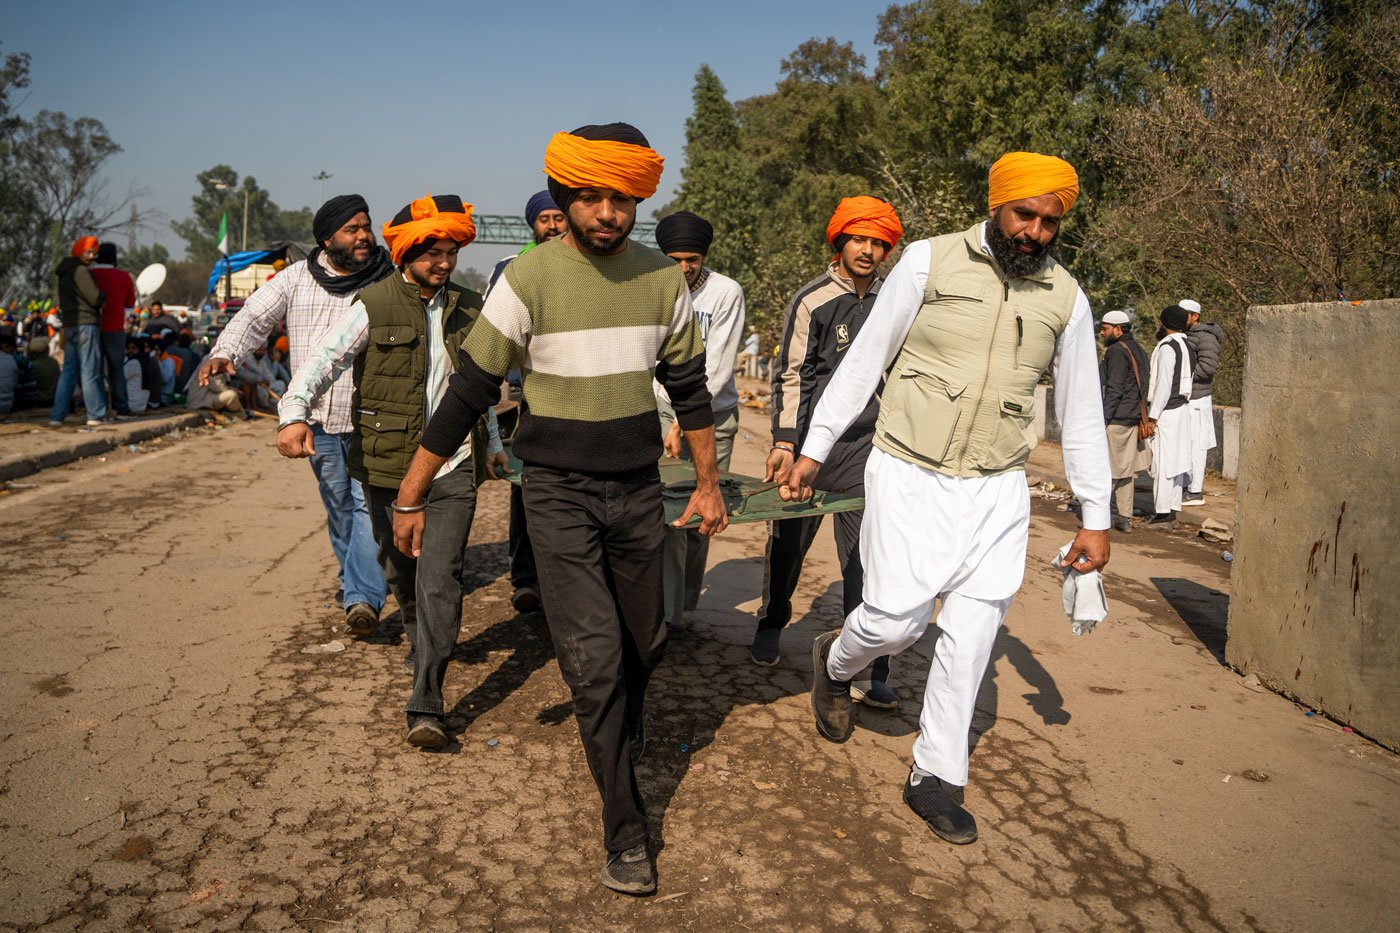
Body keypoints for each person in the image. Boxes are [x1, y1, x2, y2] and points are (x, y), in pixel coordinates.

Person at [390, 123, 726, 897]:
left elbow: (690, 390)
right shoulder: (528, 278)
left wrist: (706, 483)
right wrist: (412, 490)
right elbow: (470, 391)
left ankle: (619, 729)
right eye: (592, 196)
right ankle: (626, 826)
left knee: (646, 641)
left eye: (622, 198)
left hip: (640, 489)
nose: (608, 212)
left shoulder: (662, 281)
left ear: (639, 198)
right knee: (596, 661)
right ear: (568, 196)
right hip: (557, 494)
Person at [782, 152, 1111, 845]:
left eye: (1051, 222)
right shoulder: (930, 262)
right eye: (1025, 215)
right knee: (895, 621)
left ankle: (936, 775)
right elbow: (865, 358)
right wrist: (813, 448)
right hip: (908, 471)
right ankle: (835, 660)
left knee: (972, 636)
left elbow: (1081, 409)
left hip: (997, 486)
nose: (1036, 232)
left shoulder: (1067, 297)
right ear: (997, 206)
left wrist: (1096, 515)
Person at [278, 193, 507, 748]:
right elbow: (324, 360)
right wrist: (294, 414)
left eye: (451, 253)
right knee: (400, 571)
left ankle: (427, 700)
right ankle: (419, 641)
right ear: (407, 253)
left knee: (440, 578)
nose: (444, 263)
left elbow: (479, 385)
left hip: (451, 465)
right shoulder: (373, 303)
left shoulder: (472, 308)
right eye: (432, 253)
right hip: (384, 463)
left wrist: (494, 442)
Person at [199, 194, 394, 635]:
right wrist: (224, 352)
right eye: (352, 229)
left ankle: (364, 596)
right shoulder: (295, 279)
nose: (364, 236)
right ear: (327, 239)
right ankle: (355, 583)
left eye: (367, 226)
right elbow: (253, 316)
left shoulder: (390, 279)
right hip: (317, 419)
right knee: (340, 506)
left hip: (375, 416)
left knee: (369, 508)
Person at [751, 196, 904, 711]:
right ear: (839, 242)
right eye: (858, 239)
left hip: (870, 447)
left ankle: (868, 664)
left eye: (878, 242)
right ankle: (772, 620)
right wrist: (786, 441)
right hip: (812, 448)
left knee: (867, 559)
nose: (868, 250)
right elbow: (793, 374)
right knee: (789, 545)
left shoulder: (895, 300)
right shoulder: (812, 299)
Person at [652, 210, 746, 632]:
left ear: (704, 257)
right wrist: (667, 417)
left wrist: (686, 421)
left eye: (691, 259)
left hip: (714, 415)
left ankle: (684, 602)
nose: (684, 268)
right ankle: (666, 615)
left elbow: (721, 365)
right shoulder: (651, 287)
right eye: (674, 259)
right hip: (660, 411)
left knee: (704, 510)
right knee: (669, 511)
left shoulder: (726, 293)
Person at [484, 189, 570, 614]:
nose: (552, 226)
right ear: (531, 225)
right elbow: (491, 335)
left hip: (578, 393)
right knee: (527, 486)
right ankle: (526, 578)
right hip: (528, 395)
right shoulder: (509, 269)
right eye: (544, 219)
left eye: (559, 217)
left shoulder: (588, 265)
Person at [1098, 309, 1150, 532]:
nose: (1102, 333)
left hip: (1117, 419)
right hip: (1133, 417)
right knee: (1125, 470)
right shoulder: (1138, 349)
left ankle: (1098, 517)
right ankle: (1124, 516)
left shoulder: (1117, 351)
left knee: (1107, 470)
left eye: (1105, 329)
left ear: (1118, 330)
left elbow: (1114, 389)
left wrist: (1102, 420)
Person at [49, 236, 108, 426]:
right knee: (89, 369)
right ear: (79, 250)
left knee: (68, 371)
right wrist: (104, 296)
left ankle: (57, 416)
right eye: (88, 252)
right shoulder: (81, 271)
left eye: (94, 253)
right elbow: (95, 298)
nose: (92, 256)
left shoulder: (64, 271)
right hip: (86, 324)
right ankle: (95, 414)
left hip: (70, 324)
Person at [1145, 304, 1194, 526]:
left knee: (1164, 462)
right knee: (1177, 462)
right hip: (1183, 410)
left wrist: (1153, 416)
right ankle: (1173, 509)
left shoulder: (1167, 347)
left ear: (1164, 323)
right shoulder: (1188, 345)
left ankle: (1162, 512)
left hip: (1168, 411)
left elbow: (1163, 386)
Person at [1181, 298, 1222, 506]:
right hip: (1187, 399)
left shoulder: (1206, 337)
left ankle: (1195, 491)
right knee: (1185, 446)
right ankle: (1187, 487)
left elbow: (1207, 368)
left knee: (1197, 447)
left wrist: (1180, 376)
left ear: (1195, 316)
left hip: (1198, 399)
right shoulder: (1186, 336)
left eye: (1184, 313)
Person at [91, 242, 138, 420]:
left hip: (93, 328)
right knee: (116, 369)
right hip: (115, 328)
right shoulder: (124, 276)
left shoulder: (90, 275)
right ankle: (122, 409)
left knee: (93, 370)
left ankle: (97, 409)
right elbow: (130, 304)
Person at [27, 335, 60, 408]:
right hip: (53, 399)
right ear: (47, 349)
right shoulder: (54, 362)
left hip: (38, 401)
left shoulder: (32, 365)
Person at [123, 337, 151, 412]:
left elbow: (121, 378)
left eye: (133, 348)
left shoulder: (134, 362)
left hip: (133, 404)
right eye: (128, 348)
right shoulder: (144, 360)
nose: (130, 351)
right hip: (141, 404)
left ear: (139, 349)